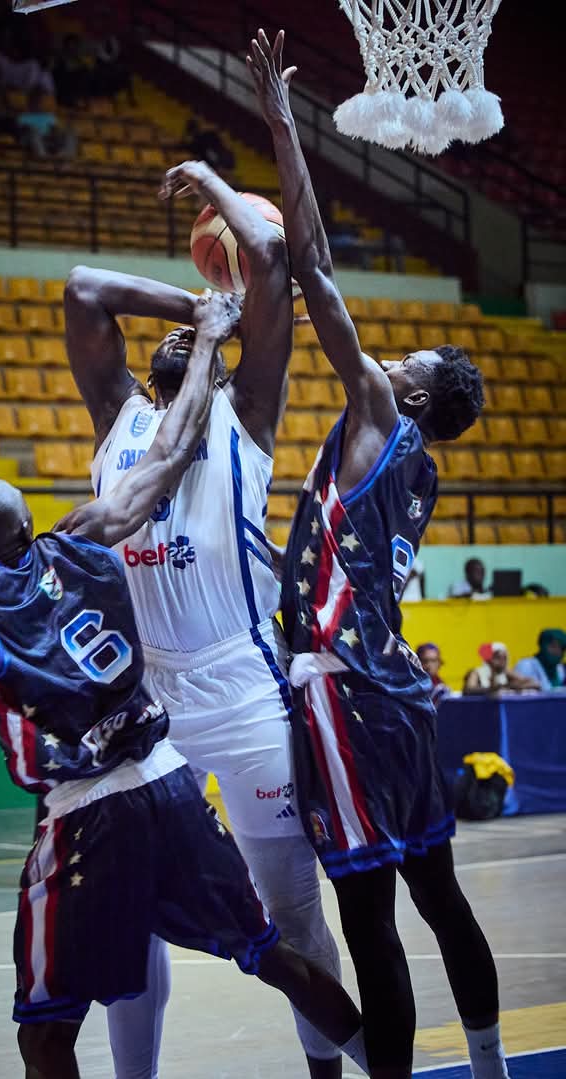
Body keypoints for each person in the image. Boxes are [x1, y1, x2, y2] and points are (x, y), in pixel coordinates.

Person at [0, 293, 367, 1079]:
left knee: (47, 1029)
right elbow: (165, 459)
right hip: (167, 776)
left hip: (89, 807)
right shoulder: (80, 536)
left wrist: (205, 341)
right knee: (273, 954)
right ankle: (381, 1061)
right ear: (29, 528)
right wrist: (209, 342)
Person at [248, 28, 510, 1079]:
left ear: (416, 390)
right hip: (398, 691)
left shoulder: (374, 408)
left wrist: (282, 126)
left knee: (371, 919)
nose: (391, 352)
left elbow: (313, 264)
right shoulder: (422, 468)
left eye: (412, 356)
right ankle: (489, 1064)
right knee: (440, 894)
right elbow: (335, 551)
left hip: (348, 692)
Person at [63, 156, 354, 1079]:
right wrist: (196, 307)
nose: (187, 345)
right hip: (150, 701)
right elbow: (82, 287)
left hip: (242, 689)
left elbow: (270, 253)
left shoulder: (247, 412)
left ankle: (329, 1072)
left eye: (207, 341)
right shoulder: (118, 418)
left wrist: (215, 193)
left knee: (294, 910)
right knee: (132, 916)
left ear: (224, 363)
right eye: (179, 340)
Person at [463, 642, 541, 696]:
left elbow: (534, 683)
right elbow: (469, 689)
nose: (502, 661)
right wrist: (491, 690)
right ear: (489, 659)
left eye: (504, 658)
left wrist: (510, 687)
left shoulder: (506, 671)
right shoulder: (477, 672)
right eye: (498, 658)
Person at [416, 643, 450, 707]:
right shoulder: (409, 687)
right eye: (425, 661)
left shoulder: (442, 690)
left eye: (433, 661)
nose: (429, 666)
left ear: (439, 663)